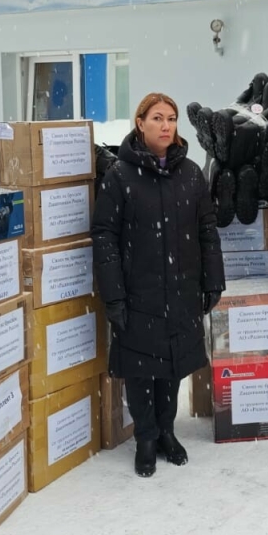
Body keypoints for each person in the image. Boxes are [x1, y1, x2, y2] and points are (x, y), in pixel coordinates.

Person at [92, 92, 225, 478]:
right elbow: (104, 236)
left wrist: (213, 280)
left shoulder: (190, 173)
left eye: (171, 119)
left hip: (181, 290)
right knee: (140, 371)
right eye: (157, 118)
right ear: (140, 124)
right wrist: (114, 294)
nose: (166, 126)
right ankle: (146, 437)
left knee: (173, 368)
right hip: (139, 292)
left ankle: (167, 430)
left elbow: (206, 229)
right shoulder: (121, 174)